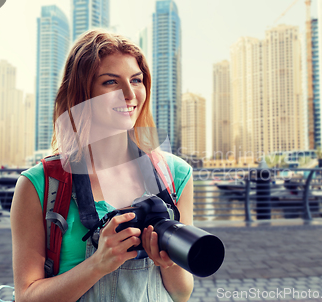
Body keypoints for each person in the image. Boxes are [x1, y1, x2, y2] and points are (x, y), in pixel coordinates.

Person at [10, 30, 194, 302]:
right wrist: (98, 264)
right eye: (111, 82)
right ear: (82, 93)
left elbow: (181, 292)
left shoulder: (175, 175)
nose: (129, 94)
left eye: (136, 80)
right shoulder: (40, 184)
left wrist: (168, 261)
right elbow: (26, 296)